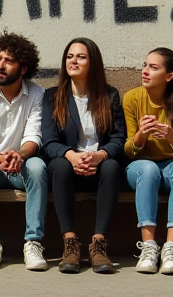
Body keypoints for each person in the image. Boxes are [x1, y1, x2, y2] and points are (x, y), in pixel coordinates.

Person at [41, 38, 125, 274]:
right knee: (60, 166)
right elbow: (49, 141)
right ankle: (70, 244)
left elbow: (119, 138)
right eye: (69, 56)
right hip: (68, 167)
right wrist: (72, 156)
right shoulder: (53, 96)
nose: (73, 61)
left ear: (93, 62)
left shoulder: (109, 95)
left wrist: (100, 155)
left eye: (81, 57)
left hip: (98, 165)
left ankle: (98, 244)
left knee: (112, 167)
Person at [0, 32, 49, 271]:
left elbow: (34, 136)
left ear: (23, 68)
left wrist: (19, 156)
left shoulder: (37, 93)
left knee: (38, 167)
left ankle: (33, 242)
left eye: (8, 61)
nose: (0, 65)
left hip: (22, 165)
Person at [123, 47, 173, 275]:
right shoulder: (132, 98)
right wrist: (142, 135)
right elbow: (128, 151)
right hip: (140, 167)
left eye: (153, 67)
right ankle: (148, 246)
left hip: (172, 166)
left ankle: (171, 248)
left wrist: (172, 137)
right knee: (148, 169)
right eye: (145, 65)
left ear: (169, 76)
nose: (145, 71)